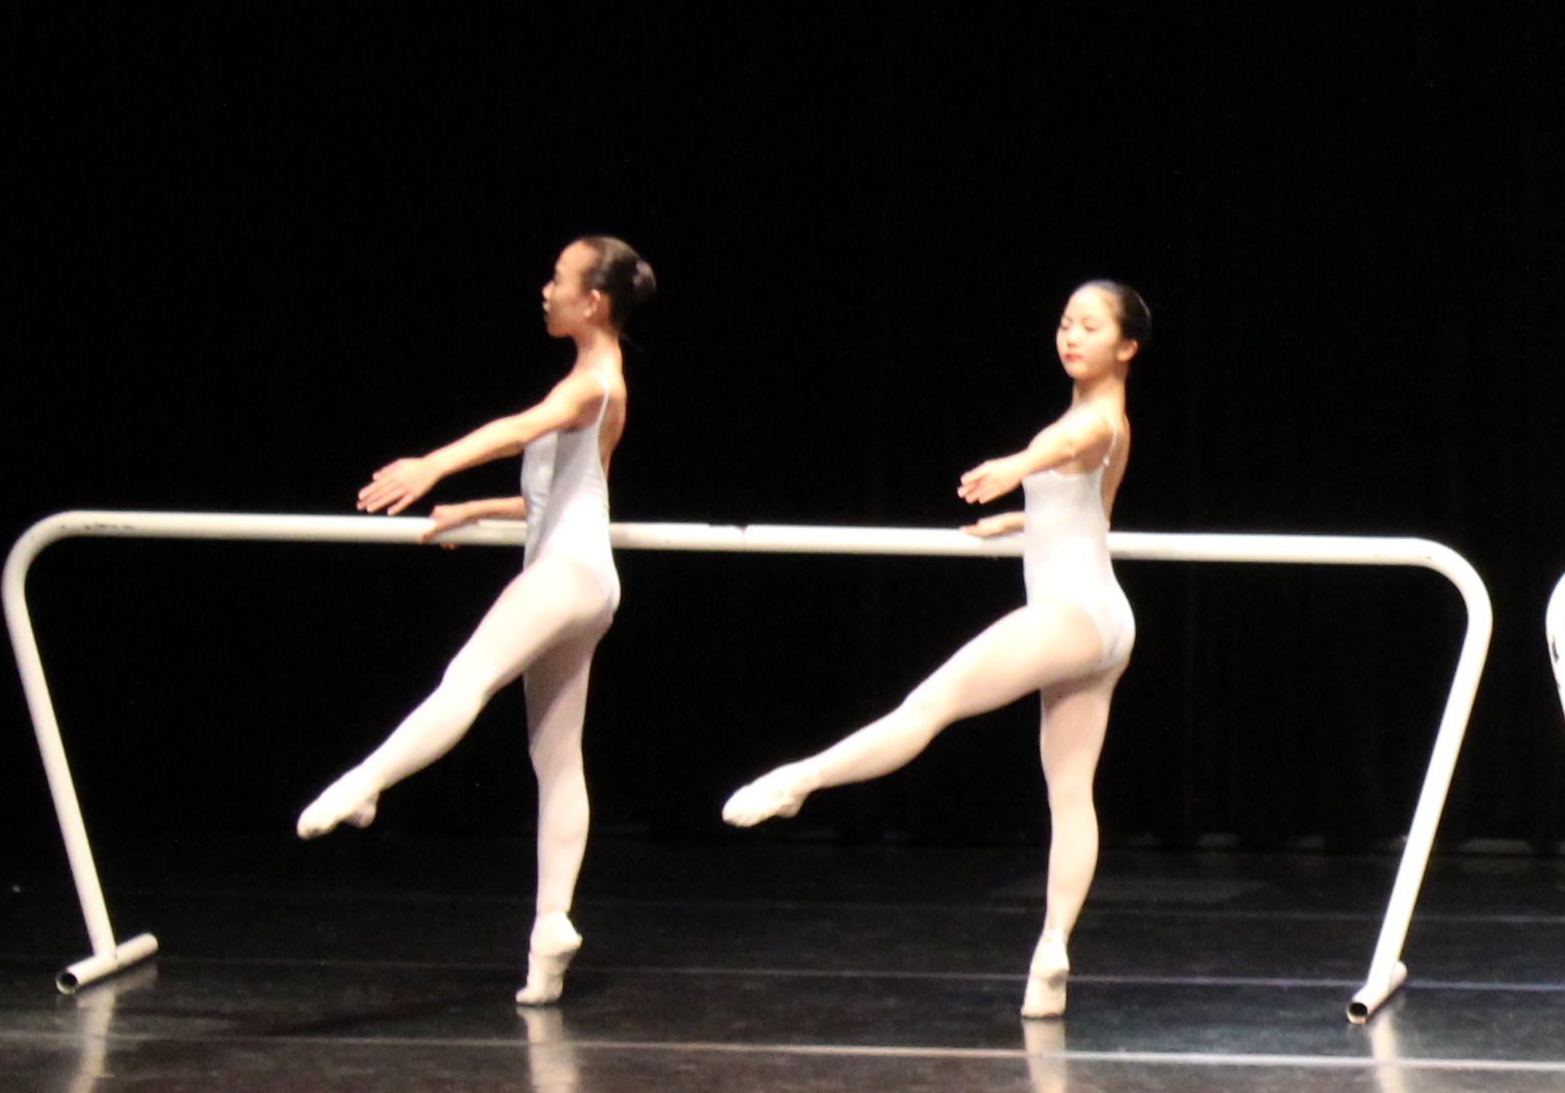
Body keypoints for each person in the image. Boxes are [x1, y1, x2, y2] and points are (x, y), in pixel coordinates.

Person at [722, 281, 1150, 1021]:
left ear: (1127, 347)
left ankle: (802, 779)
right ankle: (1052, 949)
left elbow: (1064, 447)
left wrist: (1016, 465)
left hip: (1074, 613)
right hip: (1102, 618)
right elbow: (1087, 515)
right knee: (1069, 791)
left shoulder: (1097, 419)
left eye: (1090, 326)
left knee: (927, 707)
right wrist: (1018, 519)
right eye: (1065, 323)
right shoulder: (1101, 419)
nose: (1071, 336)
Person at [297, 236, 653, 1006]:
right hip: (586, 578)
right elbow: (564, 495)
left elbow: (518, 430)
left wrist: (432, 464)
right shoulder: (598, 383)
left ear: (593, 302)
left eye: (558, 279)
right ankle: (550, 933)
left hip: (565, 574)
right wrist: (471, 509)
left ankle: (367, 782)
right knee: (556, 759)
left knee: (465, 679)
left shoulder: (591, 383)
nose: (546, 289)